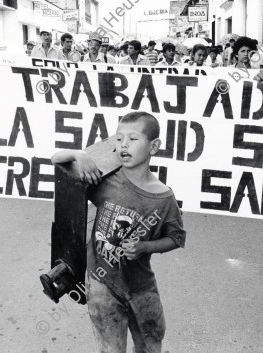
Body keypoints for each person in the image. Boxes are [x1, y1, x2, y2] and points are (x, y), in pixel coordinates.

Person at [51, 111, 186, 352]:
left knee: (150, 343)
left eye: (133, 139)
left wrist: (146, 247)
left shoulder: (164, 198)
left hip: (140, 285)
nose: (124, 144)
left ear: (153, 146)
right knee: (110, 349)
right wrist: (78, 154)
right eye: (119, 138)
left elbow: (176, 238)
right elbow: (56, 159)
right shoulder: (103, 182)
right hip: (100, 284)